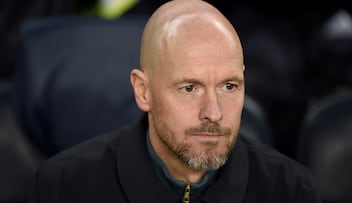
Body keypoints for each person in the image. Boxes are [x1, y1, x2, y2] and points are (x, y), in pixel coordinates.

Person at [27, 0, 322, 202]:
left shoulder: (292, 190)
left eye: (229, 86)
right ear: (143, 91)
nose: (214, 113)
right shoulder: (63, 187)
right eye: (189, 88)